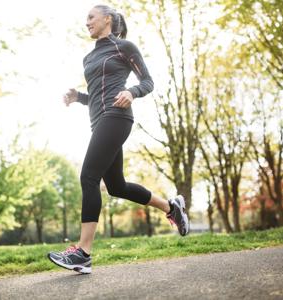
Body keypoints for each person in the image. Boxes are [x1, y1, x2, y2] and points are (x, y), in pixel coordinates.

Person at [47, 4, 189, 274]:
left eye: (90, 17)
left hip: (118, 117)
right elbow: (99, 97)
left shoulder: (124, 47)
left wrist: (132, 92)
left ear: (107, 19)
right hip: (99, 120)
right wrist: (79, 98)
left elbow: (147, 81)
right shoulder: (88, 58)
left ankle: (83, 253)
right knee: (116, 187)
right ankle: (171, 206)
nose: (86, 22)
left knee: (88, 177)